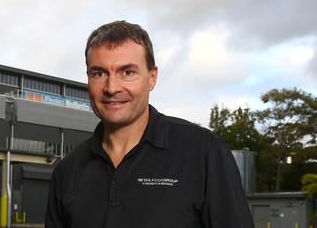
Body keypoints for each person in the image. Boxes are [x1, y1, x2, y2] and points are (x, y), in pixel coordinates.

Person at [45, 21, 253, 228]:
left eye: (127, 72)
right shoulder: (67, 171)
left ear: (152, 78)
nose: (111, 88)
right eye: (99, 73)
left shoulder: (203, 152)